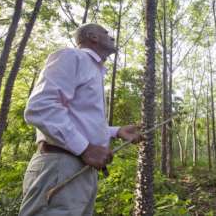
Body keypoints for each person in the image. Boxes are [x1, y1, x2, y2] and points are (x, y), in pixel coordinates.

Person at [19, 23, 142, 216]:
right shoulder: (72, 57)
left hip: (81, 170)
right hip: (61, 166)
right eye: (106, 32)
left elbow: (79, 120)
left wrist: (116, 131)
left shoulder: (94, 70)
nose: (111, 37)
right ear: (92, 36)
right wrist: (85, 148)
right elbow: (41, 107)